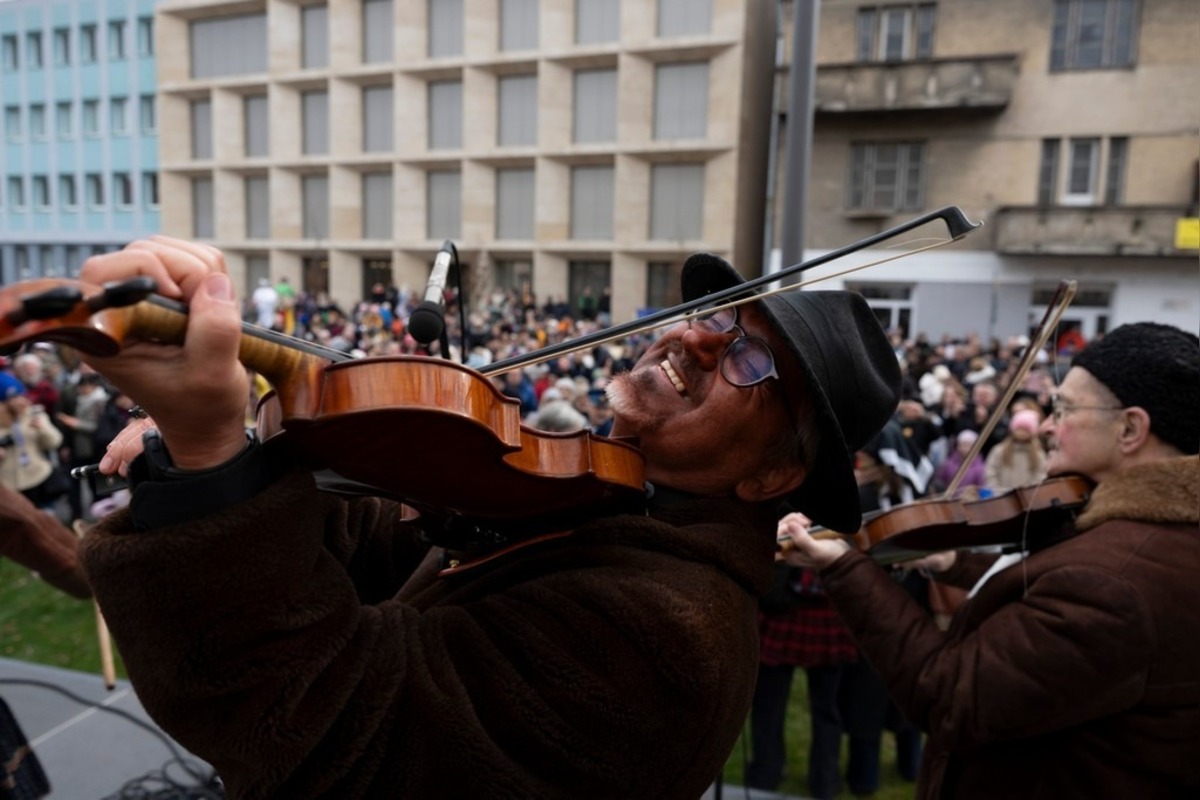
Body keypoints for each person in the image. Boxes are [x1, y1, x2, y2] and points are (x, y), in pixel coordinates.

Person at [70, 240, 901, 799]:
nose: (696, 336)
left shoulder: (668, 636)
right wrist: (209, 462)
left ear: (773, 476)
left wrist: (213, 445)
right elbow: (372, 546)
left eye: (750, 359)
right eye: (718, 316)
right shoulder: (595, 503)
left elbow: (332, 738)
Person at [780, 322, 1200, 799]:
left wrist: (843, 569)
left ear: (1130, 429)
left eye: (1062, 409)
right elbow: (1048, 610)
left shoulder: (1110, 587)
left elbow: (951, 695)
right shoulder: (1163, 537)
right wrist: (954, 563)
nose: (1045, 425)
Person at [982, 407, 1046, 493]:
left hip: (1028, 500)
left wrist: (1028, 494)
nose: (1021, 432)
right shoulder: (999, 451)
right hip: (1001, 499)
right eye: (1019, 428)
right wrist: (998, 493)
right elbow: (990, 474)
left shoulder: (1038, 455)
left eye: (1025, 429)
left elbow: (1040, 477)